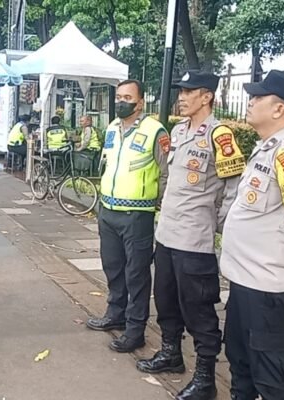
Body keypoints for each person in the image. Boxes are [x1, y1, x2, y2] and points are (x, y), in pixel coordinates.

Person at [136, 70, 246, 400]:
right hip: (167, 234)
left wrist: (218, 224)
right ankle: (171, 353)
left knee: (198, 309)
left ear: (207, 96)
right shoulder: (179, 130)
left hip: (194, 240)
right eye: (180, 92)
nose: (181, 98)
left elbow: (234, 189)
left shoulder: (220, 135)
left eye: (188, 92)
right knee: (166, 299)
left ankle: (205, 378)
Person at [221, 70, 284, 400]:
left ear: (279, 109)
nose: (250, 102)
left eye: (258, 97)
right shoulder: (266, 149)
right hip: (244, 280)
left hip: (268, 287)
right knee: (240, 362)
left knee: (273, 373)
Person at [86, 79, 169, 353]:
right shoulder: (112, 128)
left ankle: (135, 331)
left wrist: (158, 204)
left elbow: (166, 173)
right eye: (119, 97)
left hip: (137, 214)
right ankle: (115, 314)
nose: (121, 102)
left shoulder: (155, 131)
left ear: (140, 102)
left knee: (137, 274)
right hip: (108, 211)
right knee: (112, 267)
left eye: (128, 98)